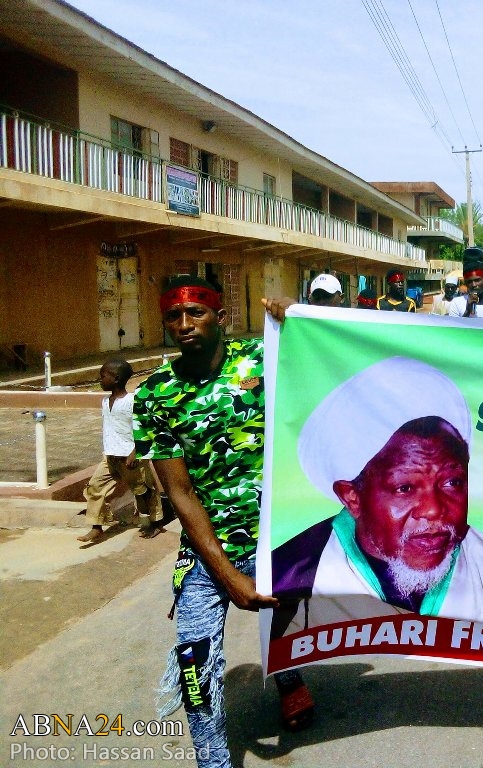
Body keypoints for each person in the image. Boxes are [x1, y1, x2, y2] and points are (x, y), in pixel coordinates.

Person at [133, 277, 313, 767]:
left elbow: (323, 358)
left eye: (197, 313)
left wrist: (299, 318)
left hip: (278, 534)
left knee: (283, 618)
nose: (185, 325)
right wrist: (228, 575)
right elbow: (180, 493)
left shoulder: (261, 359)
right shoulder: (154, 396)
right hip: (208, 545)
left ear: (221, 317)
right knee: (194, 660)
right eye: (174, 316)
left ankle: (288, 677)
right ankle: (212, 762)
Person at [271, 357, 483, 638]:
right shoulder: (294, 570)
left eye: (452, 482)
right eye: (405, 488)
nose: (433, 510)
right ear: (352, 497)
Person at [78, 357, 164, 543]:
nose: (100, 380)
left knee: (143, 491)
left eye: (103, 376)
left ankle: (153, 523)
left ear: (116, 379)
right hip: (110, 456)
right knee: (95, 487)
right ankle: (96, 526)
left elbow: (144, 428)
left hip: (130, 456)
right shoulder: (105, 401)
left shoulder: (131, 401)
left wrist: (135, 452)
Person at [448, 246, 483, 318]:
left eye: (477, 280)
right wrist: (468, 310)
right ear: (465, 282)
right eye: (469, 281)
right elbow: (454, 328)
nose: (474, 285)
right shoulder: (456, 303)